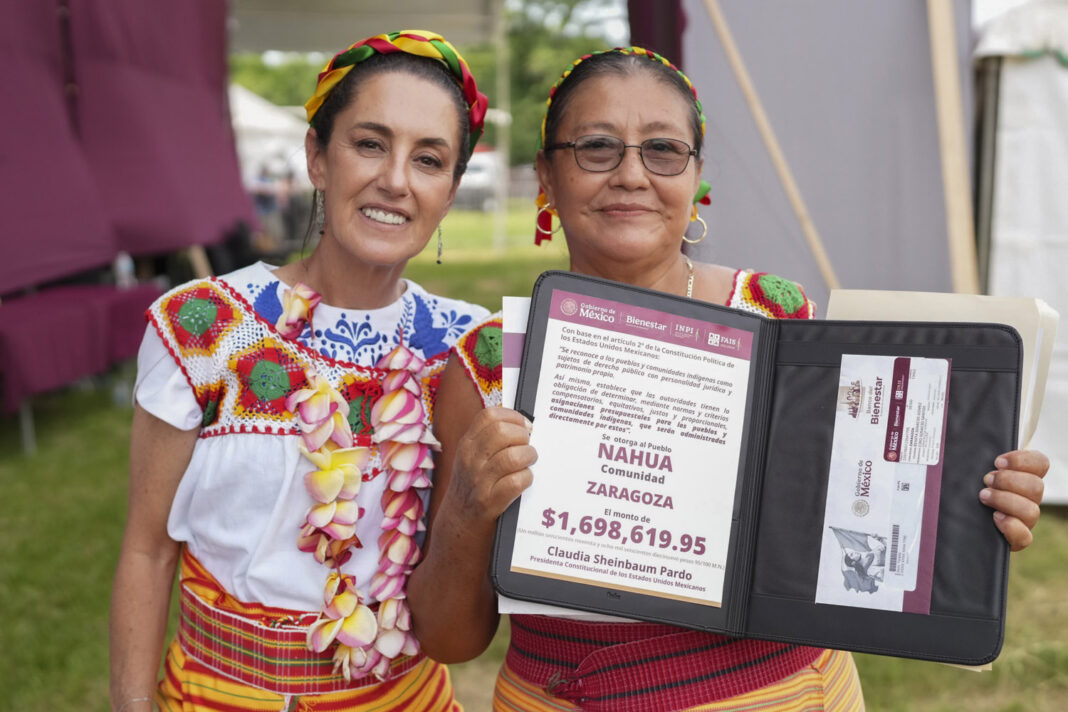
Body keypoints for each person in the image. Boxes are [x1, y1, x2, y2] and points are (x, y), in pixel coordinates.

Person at [407, 47, 1049, 711]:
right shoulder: (488, 366)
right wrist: (466, 510)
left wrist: (971, 505)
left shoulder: (776, 316)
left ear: (697, 178)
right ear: (546, 173)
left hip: (790, 695)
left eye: (663, 150)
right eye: (597, 147)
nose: (631, 174)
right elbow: (451, 640)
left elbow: (862, 519)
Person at [109, 30, 490, 712]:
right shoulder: (201, 324)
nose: (396, 180)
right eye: (369, 144)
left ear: (451, 191)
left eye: (429, 160)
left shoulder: (468, 350)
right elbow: (147, 550)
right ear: (317, 156)